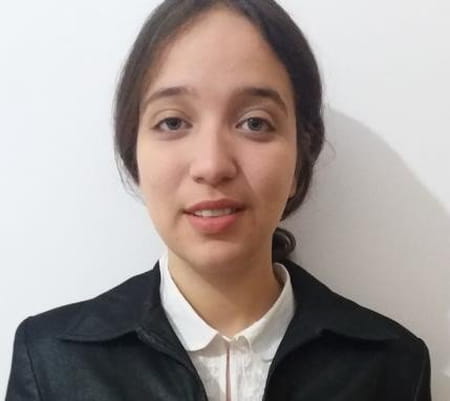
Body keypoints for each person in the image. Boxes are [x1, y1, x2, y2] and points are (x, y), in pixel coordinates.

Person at [6, 0, 432, 400]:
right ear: (134, 154)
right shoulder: (51, 360)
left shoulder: (391, 365)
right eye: (173, 122)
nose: (212, 165)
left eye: (255, 122)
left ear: (300, 161)